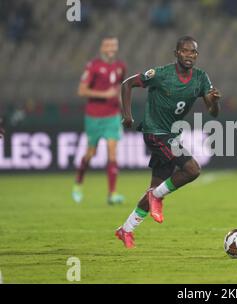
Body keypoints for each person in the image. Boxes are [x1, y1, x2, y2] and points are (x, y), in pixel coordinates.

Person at [115, 36, 221, 248]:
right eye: (185, 51)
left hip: (171, 135)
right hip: (155, 132)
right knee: (192, 170)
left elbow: (213, 112)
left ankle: (125, 229)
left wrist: (213, 102)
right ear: (176, 53)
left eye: (193, 52)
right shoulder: (161, 74)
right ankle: (156, 196)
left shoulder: (201, 78)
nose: (189, 55)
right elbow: (127, 84)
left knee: (156, 187)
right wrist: (127, 115)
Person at [72, 36, 127, 205]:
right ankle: (79, 182)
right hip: (94, 116)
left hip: (113, 115)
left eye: (114, 45)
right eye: (108, 45)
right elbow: (81, 91)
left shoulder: (120, 67)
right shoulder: (93, 66)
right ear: (102, 48)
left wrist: (123, 107)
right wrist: (104, 94)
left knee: (112, 151)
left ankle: (112, 193)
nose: (111, 48)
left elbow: (119, 89)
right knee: (91, 154)